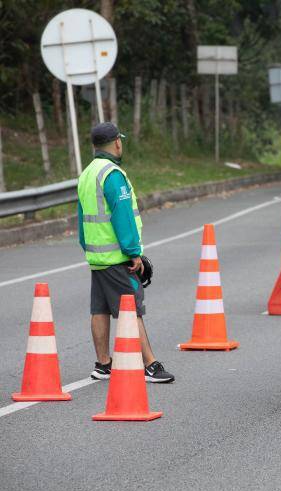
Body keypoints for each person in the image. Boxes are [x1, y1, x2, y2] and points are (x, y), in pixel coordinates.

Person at [77, 122, 174, 383]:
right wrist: (134, 253)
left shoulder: (87, 174)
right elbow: (123, 216)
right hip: (117, 257)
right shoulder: (112, 174)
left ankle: (103, 364)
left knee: (100, 309)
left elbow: (81, 220)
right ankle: (150, 365)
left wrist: (89, 248)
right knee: (131, 309)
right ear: (117, 143)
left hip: (97, 257)